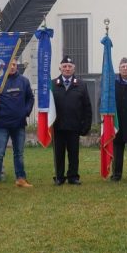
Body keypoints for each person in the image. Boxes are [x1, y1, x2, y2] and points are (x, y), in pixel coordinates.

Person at [0, 60, 34, 190]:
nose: (12, 67)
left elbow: (30, 98)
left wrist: (26, 112)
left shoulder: (24, 81)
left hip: (19, 124)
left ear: (17, 66)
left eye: (14, 65)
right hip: (2, 124)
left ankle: (21, 179)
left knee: (19, 153)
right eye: (9, 64)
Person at [51, 55, 91, 185]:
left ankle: (73, 176)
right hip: (58, 126)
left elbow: (87, 107)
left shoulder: (81, 85)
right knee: (59, 154)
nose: (67, 69)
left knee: (74, 153)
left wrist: (86, 125)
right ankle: (59, 177)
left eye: (69, 67)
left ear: (74, 69)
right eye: (64, 67)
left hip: (74, 126)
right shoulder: (52, 84)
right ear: (60, 68)